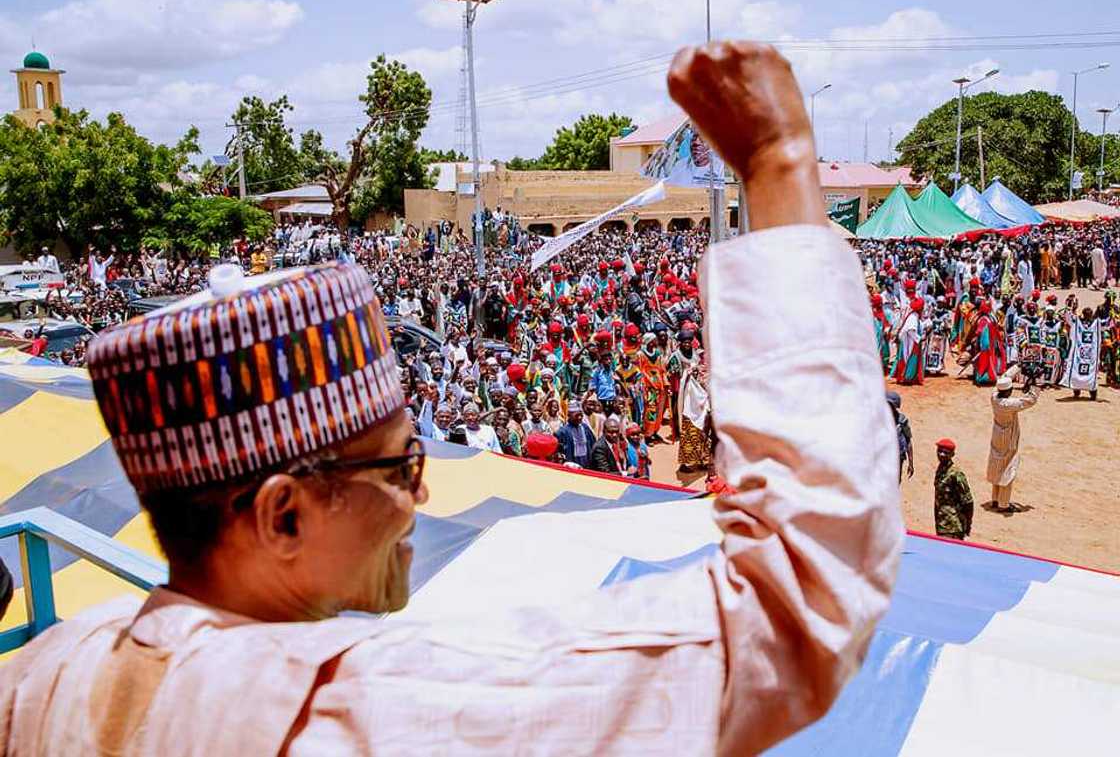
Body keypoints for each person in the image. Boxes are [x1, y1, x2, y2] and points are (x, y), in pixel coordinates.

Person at [0, 42, 903, 755]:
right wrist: (780, 164)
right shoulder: (370, 711)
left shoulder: (44, 674)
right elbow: (796, 599)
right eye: (401, 464)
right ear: (281, 515)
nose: (422, 494)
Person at [987, 373, 1039, 512]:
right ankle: (1003, 504)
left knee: (997, 466)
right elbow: (1030, 400)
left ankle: (995, 499)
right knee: (1007, 469)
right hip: (1008, 439)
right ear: (1008, 391)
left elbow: (1004, 376)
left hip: (997, 435)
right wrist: (1035, 385)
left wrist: (1018, 367)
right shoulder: (1008, 404)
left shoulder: (994, 397)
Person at [932, 438, 974, 540]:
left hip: (953, 526)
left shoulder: (956, 474)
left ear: (952, 455)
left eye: (945, 453)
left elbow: (968, 502)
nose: (941, 454)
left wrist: (968, 527)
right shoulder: (941, 469)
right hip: (941, 523)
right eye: (939, 451)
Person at [554, 403, 596, 468]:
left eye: (581, 415)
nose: (579, 417)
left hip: (587, 463)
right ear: (569, 415)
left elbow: (593, 445)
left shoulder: (585, 428)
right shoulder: (562, 432)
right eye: (576, 415)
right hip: (571, 465)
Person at [886, 391, 914, 483]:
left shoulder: (902, 421)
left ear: (896, 407)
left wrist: (911, 463)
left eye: (890, 405)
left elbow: (908, 441)